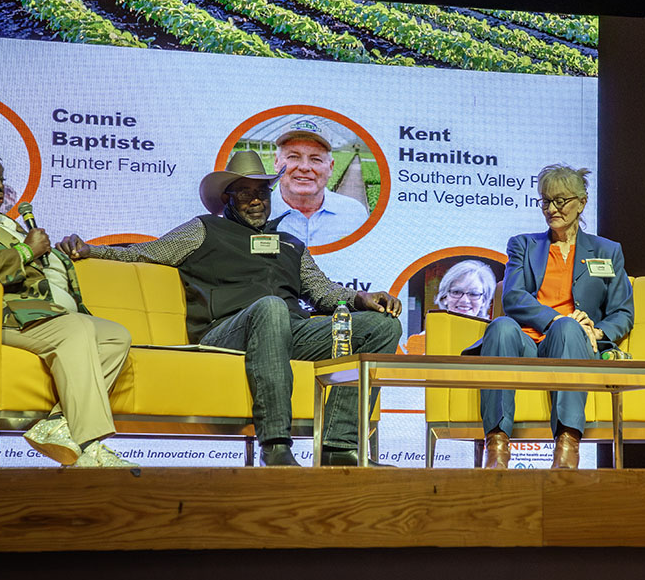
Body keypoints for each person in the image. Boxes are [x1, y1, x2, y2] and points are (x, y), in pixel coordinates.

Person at [58, 151, 402, 466]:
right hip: (227, 331)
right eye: (245, 193)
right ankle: (276, 444)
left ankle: (339, 448)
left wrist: (361, 300)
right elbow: (145, 253)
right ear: (228, 200)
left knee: (383, 326)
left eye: (262, 193)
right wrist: (90, 250)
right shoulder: (204, 230)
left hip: (289, 331)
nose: (256, 200)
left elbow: (322, 291)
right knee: (269, 308)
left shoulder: (291, 244)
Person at [0, 145, 135, 468]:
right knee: (73, 331)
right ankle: (90, 445)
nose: (1, 187)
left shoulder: (7, 223)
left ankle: (57, 424)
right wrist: (23, 251)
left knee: (115, 336)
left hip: (38, 316)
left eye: (2, 179)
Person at [468, 164, 634, 469]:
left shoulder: (607, 251)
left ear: (582, 202)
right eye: (545, 201)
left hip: (573, 343)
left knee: (570, 329)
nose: (551, 209)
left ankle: (567, 446)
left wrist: (597, 332)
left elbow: (622, 311)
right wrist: (555, 319)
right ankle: (497, 446)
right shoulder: (524, 244)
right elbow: (514, 296)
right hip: (528, 342)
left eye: (560, 201)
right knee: (501, 326)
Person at [268, 118, 369, 246]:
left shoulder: (354, 214)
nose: (304, 167)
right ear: (276, 162)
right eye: (293, 156)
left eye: (316, 159)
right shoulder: (252, 215)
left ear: (331, 167)